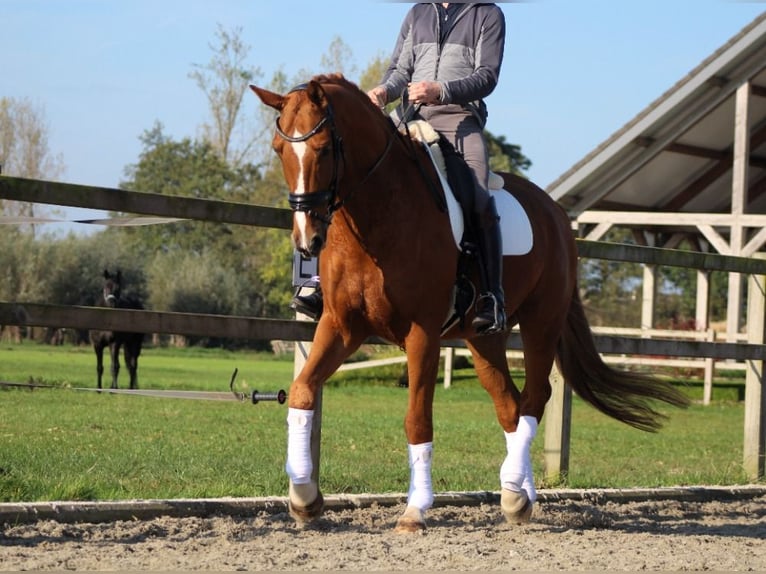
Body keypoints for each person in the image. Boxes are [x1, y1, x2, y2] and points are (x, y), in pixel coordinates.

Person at [292, 2, 507, 335]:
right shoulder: (419, 13)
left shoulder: (487, 14)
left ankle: (492, 298)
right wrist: (383, 90)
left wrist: (442, 90)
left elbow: (487, 76)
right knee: (350, 175)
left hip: (459, 120)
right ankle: (321, 280)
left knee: (478, 195)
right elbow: (399, 71)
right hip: (409, 116)